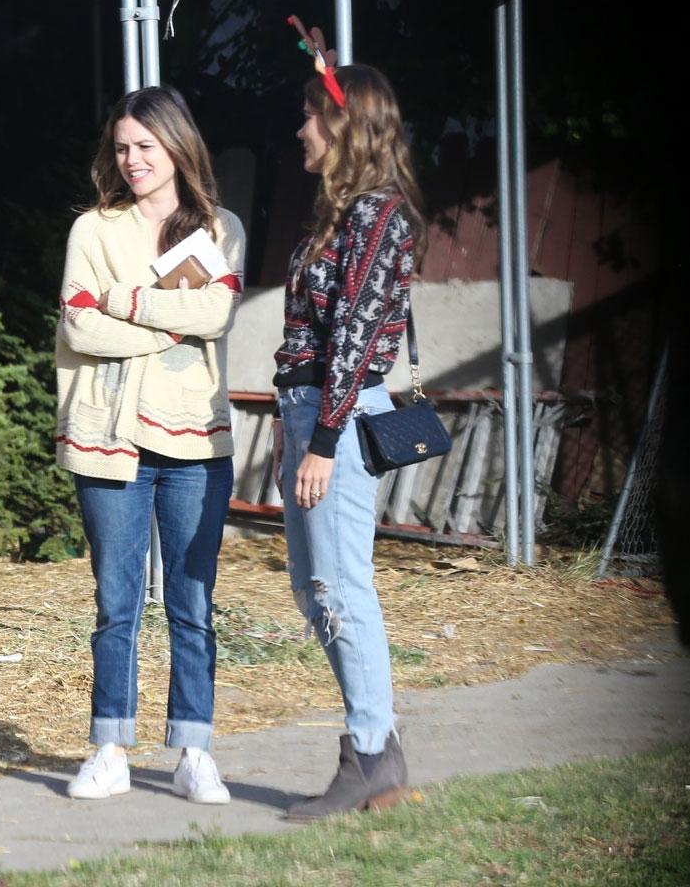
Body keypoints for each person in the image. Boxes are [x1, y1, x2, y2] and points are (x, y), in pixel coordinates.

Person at [55, 85, 246, 804]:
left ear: (177, 146)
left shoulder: (219, 226)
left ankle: (193, 749)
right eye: (122, 147)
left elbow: (220, 309)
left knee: (192, 603)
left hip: (197, 440)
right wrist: (175, 322)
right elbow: (79, 327)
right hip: (110, 439)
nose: (132, 159)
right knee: (117, 602)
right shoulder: (93, 231)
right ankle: (110, 747)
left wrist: (127, 302)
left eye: (145, 145)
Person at [270, 62, 426, 820]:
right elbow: (312, 336)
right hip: (309, 412)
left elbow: (357, 340)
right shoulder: (342, 213)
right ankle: (376, 752)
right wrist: (291, 424)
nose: (300, 129)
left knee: (342, 587)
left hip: (340, 415)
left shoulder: (381, 215)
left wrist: (324, 441)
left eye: (309, 116)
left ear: (343, 126)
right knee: (315, 589)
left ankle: (371, 752)